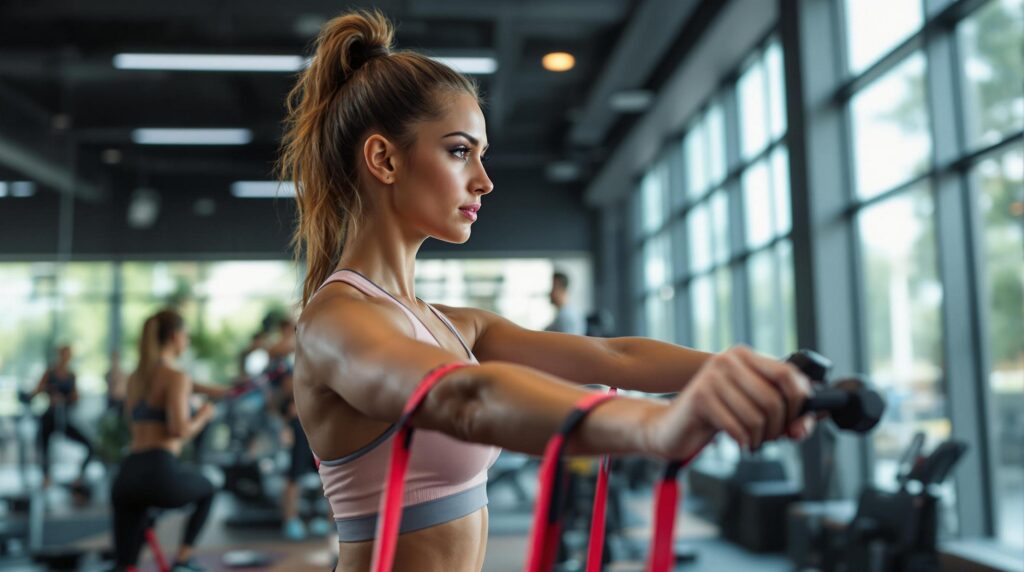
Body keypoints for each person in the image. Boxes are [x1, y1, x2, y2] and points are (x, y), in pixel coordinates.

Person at [280, 10, 817, 571]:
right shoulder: (336, 321)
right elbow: (464, 398)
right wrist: (654, 427)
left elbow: (615, 356)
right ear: (384, 159)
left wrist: (761, 372)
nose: (484, 180)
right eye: (461, 151)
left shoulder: (454, 325)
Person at [111, 309, 217, 572]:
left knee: (126, 566)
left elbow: (133, 420)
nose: (188, 341)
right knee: (209, 489)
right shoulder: (177, 376)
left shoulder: (136, 377)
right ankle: (183, 559)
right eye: (186, 335)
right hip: (159, 472)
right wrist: (203, 416)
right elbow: (179, 429)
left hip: (127, 475)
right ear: (174, 336)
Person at [266, 317, 332, 540]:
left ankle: (329, 522)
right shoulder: (281, 357)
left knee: (328, 473)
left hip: (314, 419)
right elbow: (280, 393)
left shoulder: (310, 355)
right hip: (295, 422)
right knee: (294, 474)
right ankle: (291, 519)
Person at [29, 344, 95, 489]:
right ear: (59, 355)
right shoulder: (50, 373)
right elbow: (36, 392)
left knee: (90, 445)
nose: (66, 357)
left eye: (68, 355)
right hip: (50, 417)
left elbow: (76, 398)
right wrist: (47, 392)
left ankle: (79, 477)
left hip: (64, 418)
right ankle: (46, 478)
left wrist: (66, 399)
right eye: (63, 354)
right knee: (42, 445)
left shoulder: (72, 375)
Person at [545, 271, 586, 335]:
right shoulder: (568, 313)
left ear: (562, 289)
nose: (549, 293)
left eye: (553, 288)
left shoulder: (566, 318)